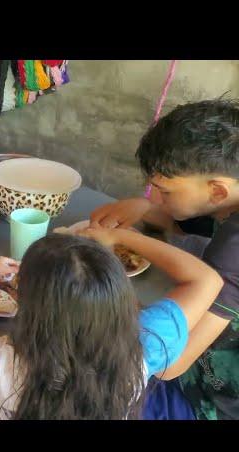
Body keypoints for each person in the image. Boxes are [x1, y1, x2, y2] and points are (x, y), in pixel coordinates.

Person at [0, 229, 222, 419]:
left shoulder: (4, 364)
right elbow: (206, 280)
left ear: (29, 309)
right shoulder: (144, 347)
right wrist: (123, 236)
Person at [90, 98, 239, 419]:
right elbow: (192, 226)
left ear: (217, 190)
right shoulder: (226, 197)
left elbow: (172, 363)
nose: (154, 195)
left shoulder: (234, 247)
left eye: (164, 191)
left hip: (212, 398)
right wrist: (147, 209)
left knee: (89, 394)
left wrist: (122, 238)